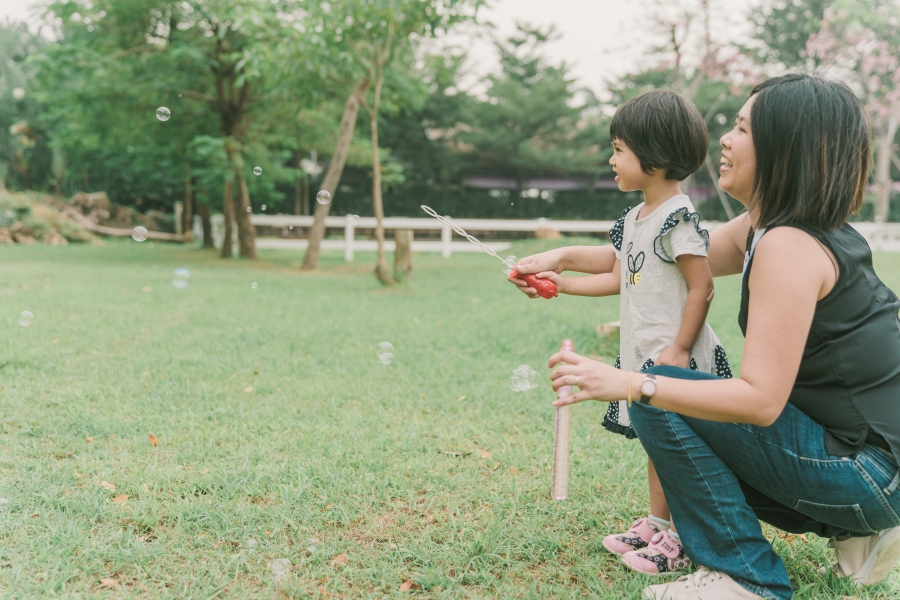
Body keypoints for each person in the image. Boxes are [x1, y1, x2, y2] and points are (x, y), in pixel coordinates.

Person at [511, 73, 900, 600]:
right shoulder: (770, 227)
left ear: (785, 148)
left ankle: (746, 579)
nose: (725, 138)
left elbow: (759, 402)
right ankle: (860, 530)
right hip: (873, 461)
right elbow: (647, 258)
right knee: (666, 396)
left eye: (742, 128)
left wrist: (630, 382)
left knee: (656, 393)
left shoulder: (788, 246)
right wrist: (558, 261)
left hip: (868, 471)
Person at [524, 89, 734, 576]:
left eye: (619, 148)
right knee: (658, 443)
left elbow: (702, 288)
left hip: (676, 360)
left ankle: (680, 538)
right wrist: (560, 281)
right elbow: (617, 273)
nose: (611, 158)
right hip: (644, 355)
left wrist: (680, 349)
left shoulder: (678, 217)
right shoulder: (637, 217)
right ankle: (658, 522)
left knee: (682, 450)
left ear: (655, 157)